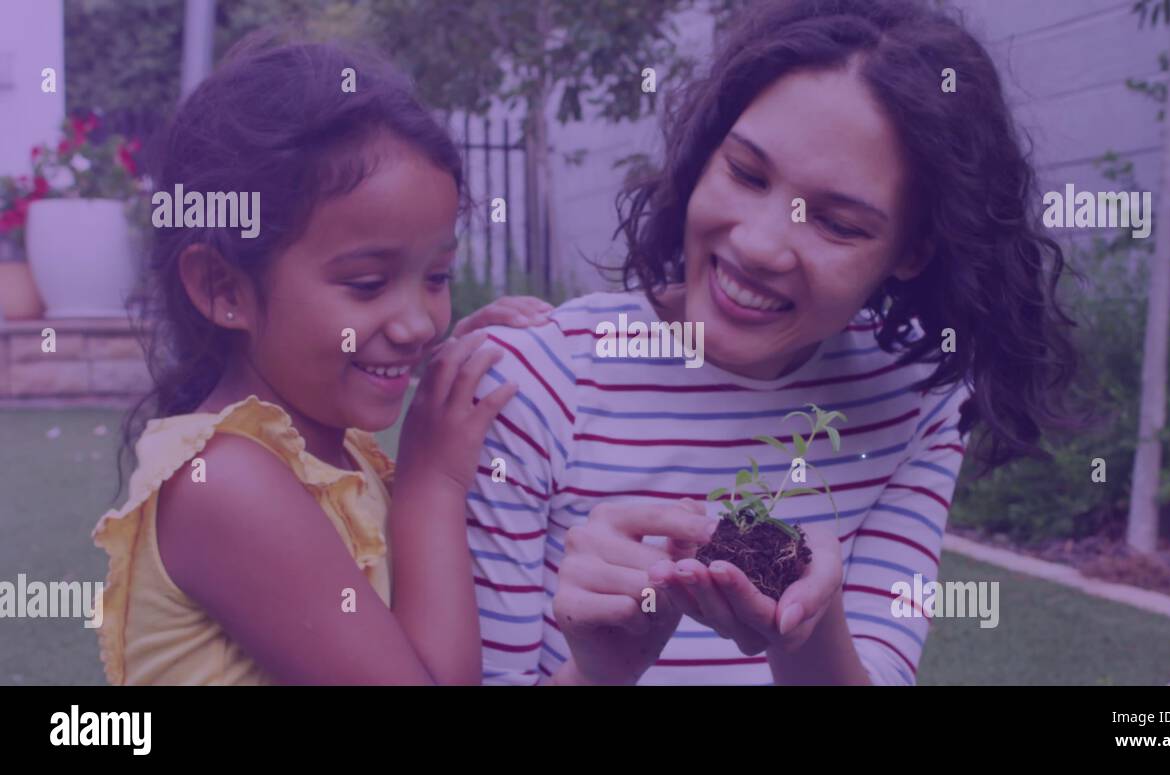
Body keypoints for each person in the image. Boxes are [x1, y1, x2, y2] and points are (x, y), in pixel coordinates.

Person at [466, 0, 1083, 685]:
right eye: (746, 173)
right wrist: (601, 669)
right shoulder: (532, 383)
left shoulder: (918, 402)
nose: (758, 244)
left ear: (912, 251)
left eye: (837, 223)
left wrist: (804, 630)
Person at [93, 34, 548, 685]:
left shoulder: (335, 450)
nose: (419, 323)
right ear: (224, 289)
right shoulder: (224, 482)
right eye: (367, 284)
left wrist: (458, 366)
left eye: (437, 276)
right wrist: (431, 485)